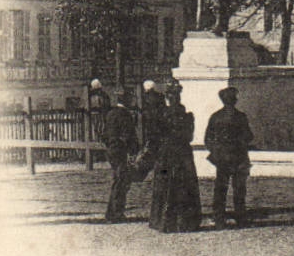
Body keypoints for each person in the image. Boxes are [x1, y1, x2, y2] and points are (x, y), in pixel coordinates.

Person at [145, 83, 201, 233]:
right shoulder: (187, 116)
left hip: (166, 153)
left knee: (165, 186)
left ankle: (163, 221)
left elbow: (154, 135)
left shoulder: (161, 116)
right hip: (182, 153)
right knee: (183, 185)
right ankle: (185, 222)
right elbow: (189, 136)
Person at [204, 86, 254, 228]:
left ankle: (219, 218)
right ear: (235, 100)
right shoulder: (241, 117)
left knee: (220, 188)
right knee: (239, 188)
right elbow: (249, 136)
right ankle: (241, 218)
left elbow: (208, 139)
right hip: (238, 157)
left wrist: (216, 152)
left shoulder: (215, 117)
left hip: (222, 158)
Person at [100, 94, 141, 223]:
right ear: (127, 101)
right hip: (121, 151)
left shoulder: (110, 113)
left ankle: (112, 213)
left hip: (112, 151)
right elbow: (128, 135)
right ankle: (115, 213)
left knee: (118, 180)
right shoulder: (125, 115)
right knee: (122, 181)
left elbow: (104, 134)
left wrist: (110, 145)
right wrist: (134, 150)